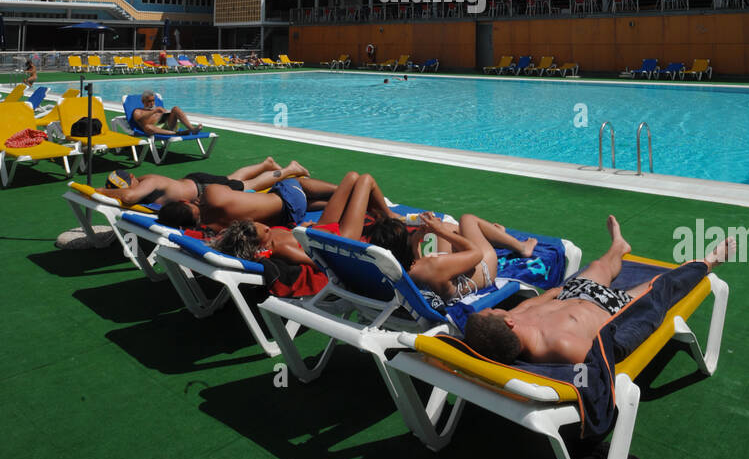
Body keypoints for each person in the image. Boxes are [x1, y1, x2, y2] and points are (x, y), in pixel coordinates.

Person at [463, 216, 734, 365]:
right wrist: (636, 314)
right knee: (662, 285)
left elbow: (538, 301)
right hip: (613, 307)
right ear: (507, 323)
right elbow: (604, 357)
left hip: (576, 293)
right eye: (494, 311)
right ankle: (709, 261)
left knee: (600, 264)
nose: (498, 307)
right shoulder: (560, 347)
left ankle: (619, 245)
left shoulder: (516, 319)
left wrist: (562, 290)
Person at [365, 203, 541, 302]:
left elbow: (418, 265)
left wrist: (417, 239)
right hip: (483, 272)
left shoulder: (393, 267)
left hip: (446, 281)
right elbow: (476, 254)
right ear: (403, 247)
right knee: (467, 220)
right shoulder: (432, 265)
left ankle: (491, 235)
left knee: (451, 229)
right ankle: (521, 247)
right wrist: (441, 231)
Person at [156, 159, 339, 231]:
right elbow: (231, 190)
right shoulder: (211, 194)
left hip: (288, 219)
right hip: (289, 198)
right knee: (296, 183)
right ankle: (342, 190)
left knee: (299, 199)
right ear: (183, 201)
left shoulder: (211, 231)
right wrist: (202, 199)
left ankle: (340, 201)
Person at [100, 156, 309, 209]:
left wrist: (99, 191)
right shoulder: (142, 183)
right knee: (232, 179)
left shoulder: (148, 182)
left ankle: (291, 169)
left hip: (203, 188)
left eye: (128, 185)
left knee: (248, 186)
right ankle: (266, 163)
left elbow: (129, 196)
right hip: (196, 183)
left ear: (133, 179)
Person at [130, 91, 203, 135]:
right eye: (149, 101)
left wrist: (167, 113)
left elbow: (168, 114)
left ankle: (192, 129)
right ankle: (176, 134)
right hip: (154, 129)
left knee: (175, 108)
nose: (152, 103)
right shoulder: (137, 111)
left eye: (153, 100)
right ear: (143, 101)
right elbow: (140, 118)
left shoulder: (158, 108)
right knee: (147, 127)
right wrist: (154, 111)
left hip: (167, 125)